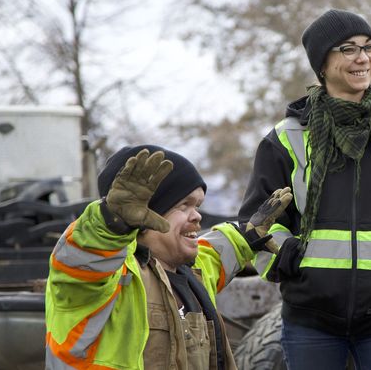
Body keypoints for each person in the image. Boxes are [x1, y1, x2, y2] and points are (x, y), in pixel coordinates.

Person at [238, 9, 371, 369]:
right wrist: (290, 261)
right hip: (310, 318)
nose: (363, 58)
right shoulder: (286, 139)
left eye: (369, 47)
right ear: (322, 63)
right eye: (348, 49)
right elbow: (257, 221)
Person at [45, 145, 291, 369]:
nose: (197, 216)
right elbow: (86, 257)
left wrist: (244, 237)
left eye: (197, 205)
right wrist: (111, 222)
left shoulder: (190, 274)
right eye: (183, 205)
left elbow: (213, 256)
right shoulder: (105, 279)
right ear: (140, 212)